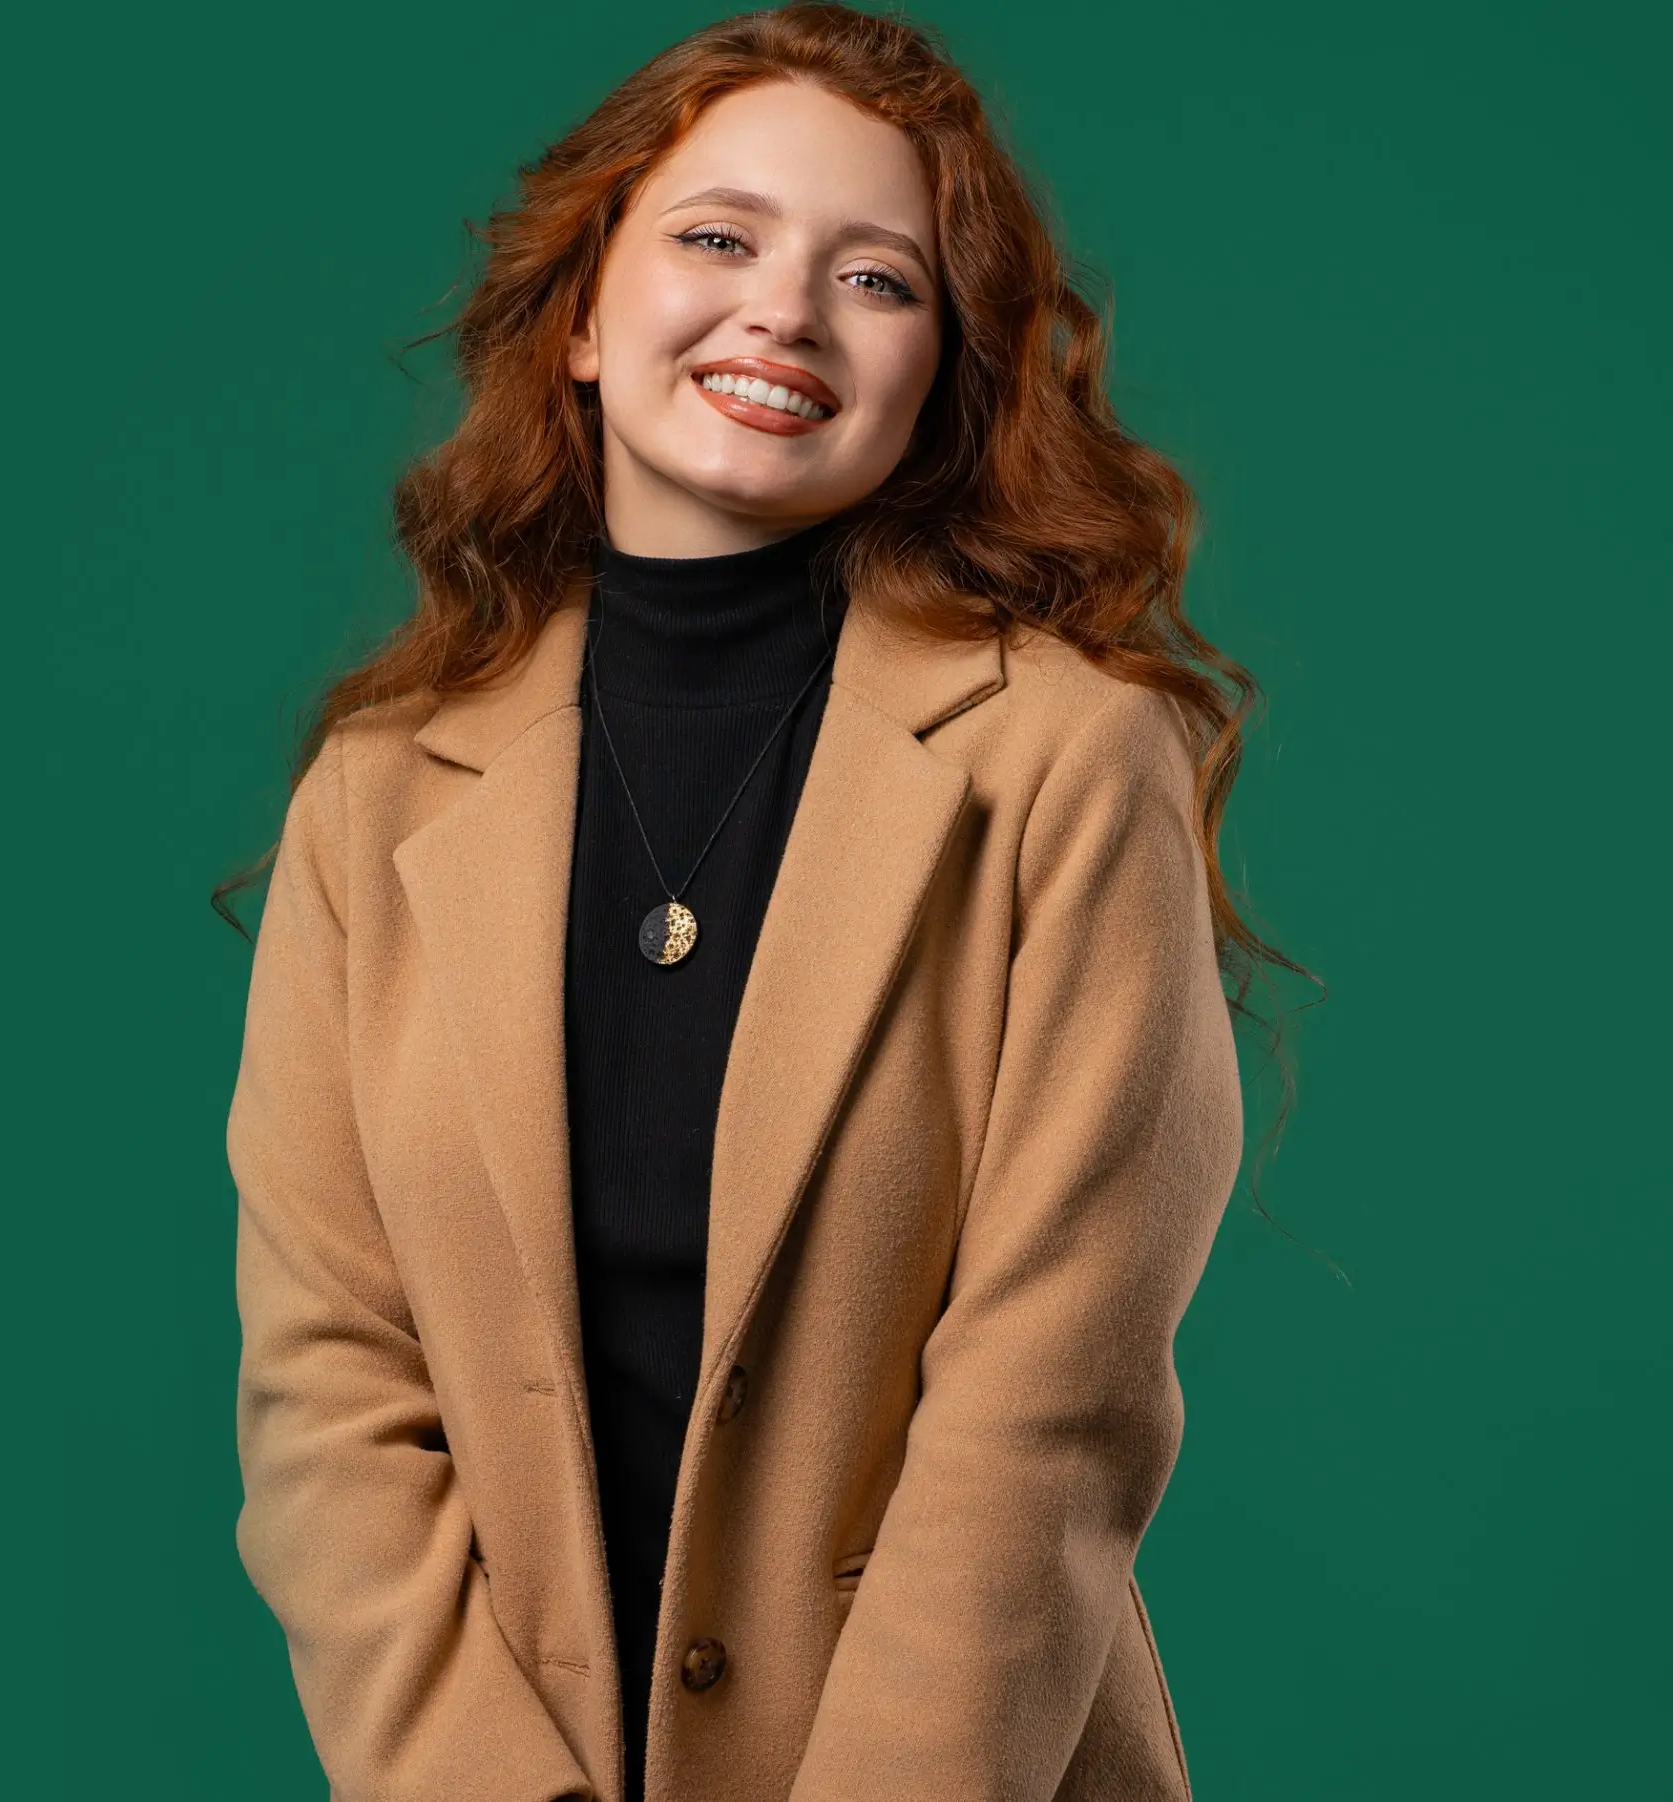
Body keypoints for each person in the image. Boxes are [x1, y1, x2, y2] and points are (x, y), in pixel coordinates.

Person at [223, 6, 1297, 1799]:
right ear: (580, 315)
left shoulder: (1069, 767)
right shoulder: (380, 790)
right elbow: (326, 1386)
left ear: (940, 373)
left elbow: (1051, 1401)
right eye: (716, 236)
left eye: (875, 278)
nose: (783, 311)